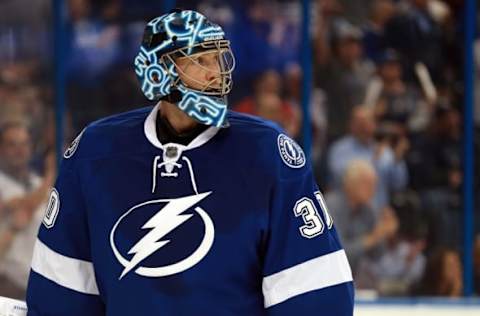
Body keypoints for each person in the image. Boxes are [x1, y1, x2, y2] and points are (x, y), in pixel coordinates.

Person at [26, 9, 354, 315]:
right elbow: (61, 288)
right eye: (199, 61)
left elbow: (315, 289)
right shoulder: (96, 152)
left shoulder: (265, 151)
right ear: (158, 70)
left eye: (218, 58)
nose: (216, 74)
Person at [0, 120, 55, 300]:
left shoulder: (38, 183)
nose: (20, 150)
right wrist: (50, 176)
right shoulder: (43, 185)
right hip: (9, 285)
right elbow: (22, 206)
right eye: (12, 144)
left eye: (24, 144)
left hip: (40, 283)